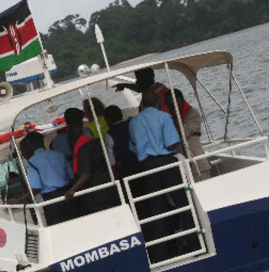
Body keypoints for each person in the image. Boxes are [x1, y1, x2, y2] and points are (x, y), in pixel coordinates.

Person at [129, 90, 194, 262]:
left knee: (157, 209)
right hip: (166, 162)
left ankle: (162, 254)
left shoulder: (134, 122)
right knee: (182, 203)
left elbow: (133, 147)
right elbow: (172, 143)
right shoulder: (164, 117)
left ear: (141, 105)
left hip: (148, 166)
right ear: (157, 103)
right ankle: (194, 242)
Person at [7, 132, 77, 226]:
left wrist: (20, 200)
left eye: (23, 150)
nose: (23, 154)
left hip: (52, 202)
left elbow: (36, 188)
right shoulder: (59, 154)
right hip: (69, 196)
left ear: (31, 146)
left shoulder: (32, 162)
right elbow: (72, 176)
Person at [64, 108, 119, 215]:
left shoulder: (83, 149)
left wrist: (72, 190)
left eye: (69, 135)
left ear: (74, 134)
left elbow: (85, 174)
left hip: (96, 189)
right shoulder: (94, 143)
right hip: (105, 182)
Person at [164, 89, 212, 181]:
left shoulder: (193, 113)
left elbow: (183, 133)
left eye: (171, 102)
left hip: (198, 165)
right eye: (167, 103)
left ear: (179, 100)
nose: (169, 106)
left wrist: (175, 116)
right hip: (182, 168)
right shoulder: (168, 118)